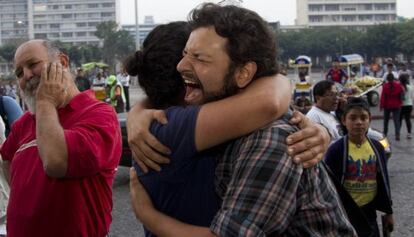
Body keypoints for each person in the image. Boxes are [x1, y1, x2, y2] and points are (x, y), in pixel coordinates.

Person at [129, 4, 356, 236]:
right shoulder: (227, 122)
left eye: (199, 58)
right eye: (185, 54)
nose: (181, 66)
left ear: (243, 73)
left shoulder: (272, 139)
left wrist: (147, 215)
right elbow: (268, 101)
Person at [0, 40, 122, 236]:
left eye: (32, 64)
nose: (27, 76)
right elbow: (6, 158)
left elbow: (56, 162)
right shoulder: (25, 122)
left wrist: (45, 101)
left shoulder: (99, 114)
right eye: (19, 73)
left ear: (63, 63)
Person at [325, 97, 394, 237]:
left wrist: (389, 212)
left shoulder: (377, 147)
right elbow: (328, 186)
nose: (359, 122)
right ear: (344, 121)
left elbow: (384, 181)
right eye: (353, 118)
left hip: (369, 212)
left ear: (370, 120)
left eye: (363, 118)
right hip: (345, 213)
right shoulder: (336, 150)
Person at [380, 73, 404, 140]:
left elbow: (383, 97)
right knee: (396, 121)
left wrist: (381, 106)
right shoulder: (398, 85)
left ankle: (385, 133)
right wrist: (401, 102)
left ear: (387, 79)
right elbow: (401, 95)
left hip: (387, 105)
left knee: (386, 120)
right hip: (397, 105)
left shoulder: (385, 86)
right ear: (393, 78)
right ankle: (397, 134)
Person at [399, 74, 413, 139]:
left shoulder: (399, 87)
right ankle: (409, 133)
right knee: (408, 120)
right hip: (409, 105)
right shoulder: (410, 87)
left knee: (399, 120)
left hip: (401, 105)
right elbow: (412, 97)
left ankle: (398, 132)